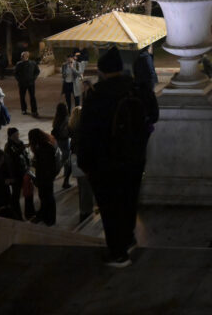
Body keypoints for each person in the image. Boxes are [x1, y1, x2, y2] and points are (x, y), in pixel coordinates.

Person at [77, 46, 151, 267]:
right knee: (128, 200)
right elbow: (152, 115)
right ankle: (128, 240)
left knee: (109, 207)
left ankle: (117, 253)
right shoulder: (136, 89)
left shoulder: (97, 96)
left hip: (105, 161)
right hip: (134, 158)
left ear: (101, 70)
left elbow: (86, 131)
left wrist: (85, 162)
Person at [51, 103, 72, 190]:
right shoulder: (66, 119)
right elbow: (67, 132)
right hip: (64, 141)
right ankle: (65, 181)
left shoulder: (56, 119)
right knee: (67, 161)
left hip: (58, 141)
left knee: (61, 159)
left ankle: (56, 175)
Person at [14, 51, 40, 117]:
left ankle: (34, 110)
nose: (22, 57)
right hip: (22, 83)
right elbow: (15, 73)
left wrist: (34, 78)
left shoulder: (33, 63)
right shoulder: (18, 64)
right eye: (21, 56)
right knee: (22, 97)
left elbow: (37, 71)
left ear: (27, 56)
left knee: (32, 97)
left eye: (23, 56)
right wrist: (19, 80)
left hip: (31, 83)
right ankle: (24, 109)